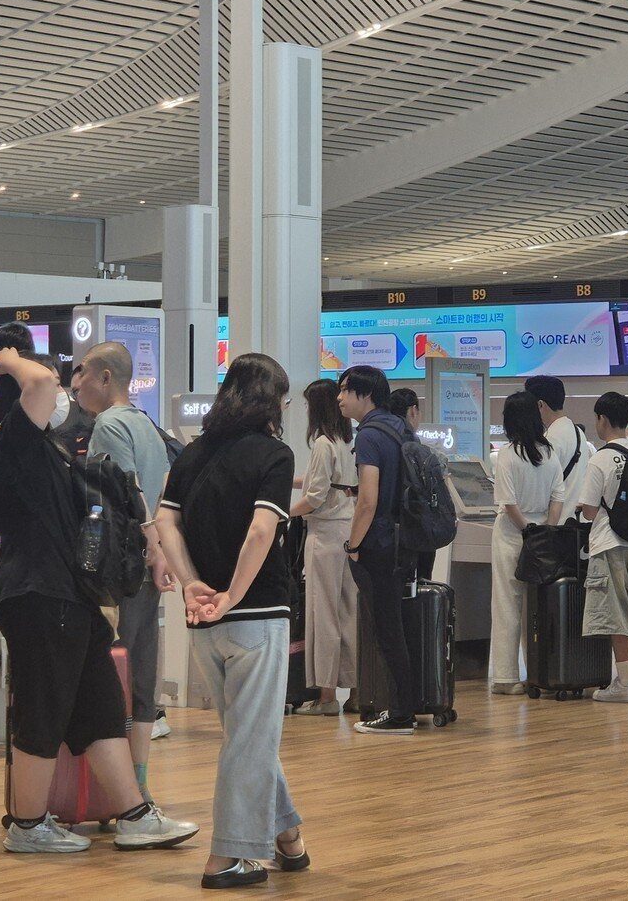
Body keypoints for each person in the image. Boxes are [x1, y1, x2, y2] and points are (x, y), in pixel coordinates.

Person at [0, 322, 196, 855]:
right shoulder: (17, 440)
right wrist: (9, 358)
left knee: (98, 705)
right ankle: (26, 825)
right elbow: (36, 386)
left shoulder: (38, 445)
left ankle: (135, 814)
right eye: (56, 379)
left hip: (65, 599)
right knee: (43, 707)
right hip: (39, 595)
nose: (65, 390)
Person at [155, 352, 308, 888]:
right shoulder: (276, 455)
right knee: (250, 738)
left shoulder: (193, 453)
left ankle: (287, 836)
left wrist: (193, 582)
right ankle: (229, 856)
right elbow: (262, 532)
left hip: (204, 621)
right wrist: (233, 595)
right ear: (274, 403)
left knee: (248, 733)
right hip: (257, 614)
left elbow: (163, 521)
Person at [71, 342, 174, 803]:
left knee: (116, 668)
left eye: (83, 375)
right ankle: (139, 781)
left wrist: (151, 547)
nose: (76, 386)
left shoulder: (110, 425)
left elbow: (127, 493)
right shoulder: (145, 424)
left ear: (106, 377)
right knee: (143, 665)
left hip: (122, 566)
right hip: (146, 563)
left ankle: (124, 790)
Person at [338, 365, 418, 735]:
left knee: (387, 630)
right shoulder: (400, 428)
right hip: (407, 543)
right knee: (400, 626)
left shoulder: (369, 435)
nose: (339, 398)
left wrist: (352, 546)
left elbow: (368, 502)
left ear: (365, 395)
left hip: (379, 546)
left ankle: (401, 713)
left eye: (345, 390)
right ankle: (406, 704)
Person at [289, 379, 358, 717]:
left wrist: (279, 513)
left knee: (323, 613)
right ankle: (357, 689)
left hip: (325, 535)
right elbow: (334, 484)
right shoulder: (348, 441)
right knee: (350, 611)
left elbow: (315, 498)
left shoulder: (321, 443)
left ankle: (327, 695)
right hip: (349, 530)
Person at [489, 392, 565, 695]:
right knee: (536, 607)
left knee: (507, 604)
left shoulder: (508, 455)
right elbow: (557, 498)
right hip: (542, 536)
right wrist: (545, 531)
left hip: (511, 534)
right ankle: (536, 671)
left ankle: (506, 677)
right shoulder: (549, 454)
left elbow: (507, 503)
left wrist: (526, 531)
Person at [578, 392, 628, 703]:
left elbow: (589, 509)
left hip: (609, 542)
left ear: (602, 420)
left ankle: (626, 684)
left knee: (615, 614)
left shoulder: (601, 458)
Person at [385, 387, 435, 580]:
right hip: (416, 527)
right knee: (420, 587)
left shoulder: (385, 436)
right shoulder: (413, 441)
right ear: (413, 410)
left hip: (391, 527)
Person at [524, 376, 593, 513]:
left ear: (540, 405)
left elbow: (540, 489)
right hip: (574, 521)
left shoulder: (549, 439)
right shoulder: (577, 431)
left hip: (556, 523)